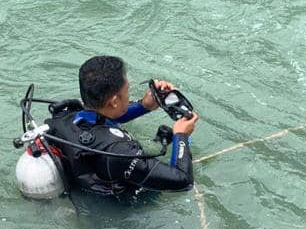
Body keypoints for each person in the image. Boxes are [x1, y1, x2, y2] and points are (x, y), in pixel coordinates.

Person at [42, 56, 198, 200]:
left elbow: (107, 115)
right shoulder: (120, 153)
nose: (129, 94)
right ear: (114, 101)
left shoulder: (67, 117)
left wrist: (144, 106)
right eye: (127, 89)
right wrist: (181, 136)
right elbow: (182, 181)